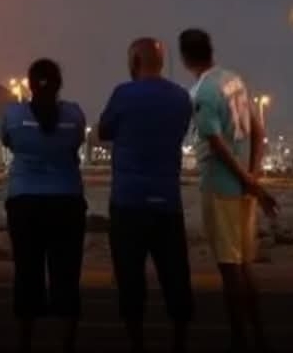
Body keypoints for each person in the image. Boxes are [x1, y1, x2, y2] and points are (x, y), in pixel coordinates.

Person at [178, 28, 279, 353]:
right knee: (245, 264)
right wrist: (253, 177)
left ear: (185, 57)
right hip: (244, 187)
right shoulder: (234, 80)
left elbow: (216, 143)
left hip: (221, 187)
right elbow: (258, 130)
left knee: (230, 268)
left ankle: (239, 339)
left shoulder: (202, 93)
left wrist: (247, 180)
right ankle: (258, 335)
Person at [98, 38, 195, 353]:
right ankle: (179, 341)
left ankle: (136, 342)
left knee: (130, 278)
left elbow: (104, 130)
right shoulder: (180, 98)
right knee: (175, 276)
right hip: (167, 201)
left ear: (134, 62)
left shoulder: (123, 94)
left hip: (129, 202)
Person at [2, 58, 87, 353]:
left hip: (24, 203)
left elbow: (9, 142)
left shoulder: (13, 115)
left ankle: (25, 342)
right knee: (67, 274)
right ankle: (67, 343)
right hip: (67, 201)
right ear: (59, 84)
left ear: (28, 84)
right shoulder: (74, 115)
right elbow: (76, 142)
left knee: (27, 273)